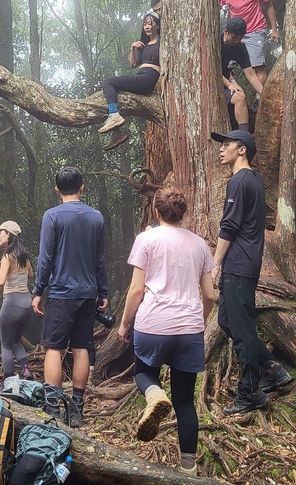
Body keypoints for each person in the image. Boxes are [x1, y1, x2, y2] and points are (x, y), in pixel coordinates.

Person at [117, 187, 216, 476]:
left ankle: (154, 394)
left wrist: (124, 324)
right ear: (182, 213)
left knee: (143, 373)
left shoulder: (146, 239)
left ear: (156, 212)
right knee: (185, 400)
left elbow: (136, 289)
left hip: (153, 325)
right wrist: (200, 321)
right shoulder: (200, 245)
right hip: (189, 328)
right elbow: (209, 295)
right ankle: (188, 466)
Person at [210, 130, 293, 415]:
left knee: (242, 330)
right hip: (248, 262)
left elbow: (229, 226)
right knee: (226, 320)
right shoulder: (255, 179)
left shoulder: (239, 180)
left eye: (227, 145)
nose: (222, 150)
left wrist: (215, 263)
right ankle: (271, 368)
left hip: (238, 264)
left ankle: (250, 391)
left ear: (242, 149)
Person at [32, 166, 108, 428]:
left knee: (53, 346)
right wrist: (103, 291)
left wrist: (38, 291)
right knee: (81, 347)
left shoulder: (52, 217)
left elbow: (46, 258)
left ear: (57, 190)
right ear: (82, 188)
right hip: (88, 293)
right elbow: (99, 259)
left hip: (61, 293)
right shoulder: (96, 217)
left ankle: (52, 406)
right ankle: (77, 407)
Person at [97, 12, 162, 138]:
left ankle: (114, 114)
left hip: (148, 78)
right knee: (113, 92)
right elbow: (133, 64)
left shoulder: (162, 42)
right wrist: (133, 48)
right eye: (145, 24)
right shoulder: (145, 45)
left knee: (108, 82)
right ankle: (117, 133)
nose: (147, 27)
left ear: (158, 26)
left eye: (150, 23)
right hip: (141, 77)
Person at [0, 220, 35, 381]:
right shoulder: (23, 256)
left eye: (2, 232)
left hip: (12, 304)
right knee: (15, 341)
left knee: (5, 344)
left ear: (9, 235)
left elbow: (0, 282)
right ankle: (26, 370)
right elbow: (30, 275)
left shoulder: (7, 255)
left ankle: (8, 380)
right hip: (27, 304)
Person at [220, 0, 279, 89]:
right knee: (227, 65)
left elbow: (269, 6)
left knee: (257, 67)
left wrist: (274, 30)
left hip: (256, 30)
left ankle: (259, 102)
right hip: (235, 34)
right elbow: (213, 8)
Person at [221, 17, 265, 132]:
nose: (236, 41)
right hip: (208, 81)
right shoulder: (215, 41)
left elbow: (251, 74)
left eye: (239, 38)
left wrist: (264, 94)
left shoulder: (240, 48)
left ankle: (244, 136)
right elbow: (210, 69)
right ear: (226, 32)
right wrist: (230, 85)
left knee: (240, 97)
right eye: (234, 37)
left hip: (223, 85)